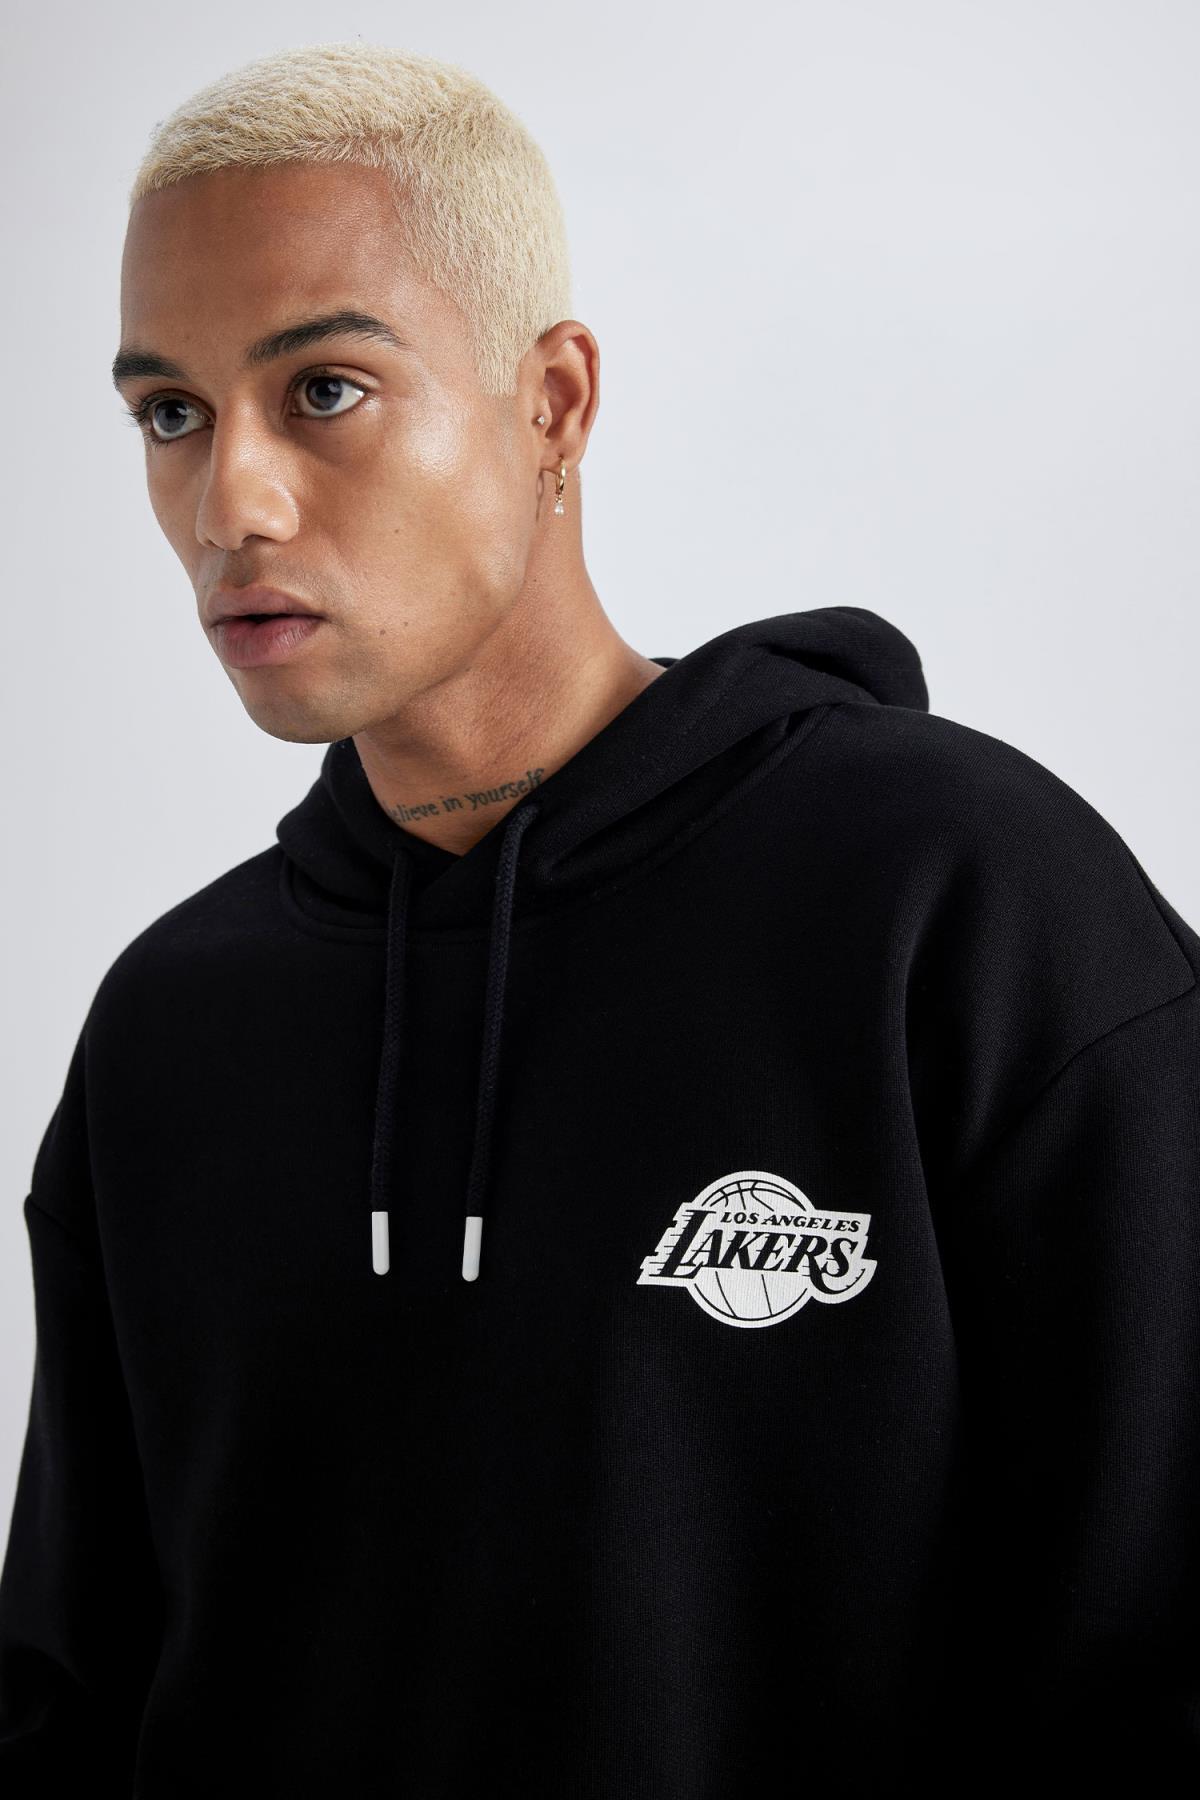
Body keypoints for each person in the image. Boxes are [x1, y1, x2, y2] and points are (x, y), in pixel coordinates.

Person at [1, 39, 1198, 1799]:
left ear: (552, 402)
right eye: (169, 414)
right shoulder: (170, 1028)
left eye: (323, 388)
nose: (228, 502)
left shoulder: (965, 904)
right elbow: (70, 1691)